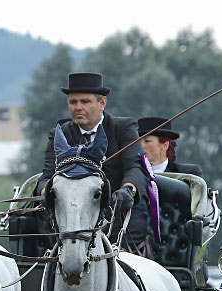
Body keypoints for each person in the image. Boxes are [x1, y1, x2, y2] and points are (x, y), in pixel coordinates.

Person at [35, 72, 151, 255]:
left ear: (102, 103)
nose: (78, 107)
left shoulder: (123, 128)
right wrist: (47, 193)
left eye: (85, 102)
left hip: (117, 218)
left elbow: (135, 168)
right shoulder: (59, 133)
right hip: (71, 222)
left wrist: (128, 189)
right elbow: (47, 177)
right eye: (73, 102)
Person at [137, 116, 203, 177]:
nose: (141, 146)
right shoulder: (132, 175)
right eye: (139, 142)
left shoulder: (188, 174)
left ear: (165, 145)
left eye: (147, 141)